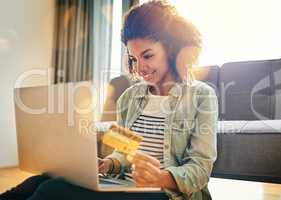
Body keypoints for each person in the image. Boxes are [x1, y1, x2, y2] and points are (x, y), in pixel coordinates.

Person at [0, 1, 217, 200]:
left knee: (51, 191)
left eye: (148, 55)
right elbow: (123, 152)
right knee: (41, 181)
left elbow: (200, 169)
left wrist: (160, 177)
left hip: (167, 194)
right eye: (134, 59)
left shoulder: (201, 96)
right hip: (127, 184)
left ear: (171, 49)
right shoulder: (129, 98)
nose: (140, 67)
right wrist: (108, 164)